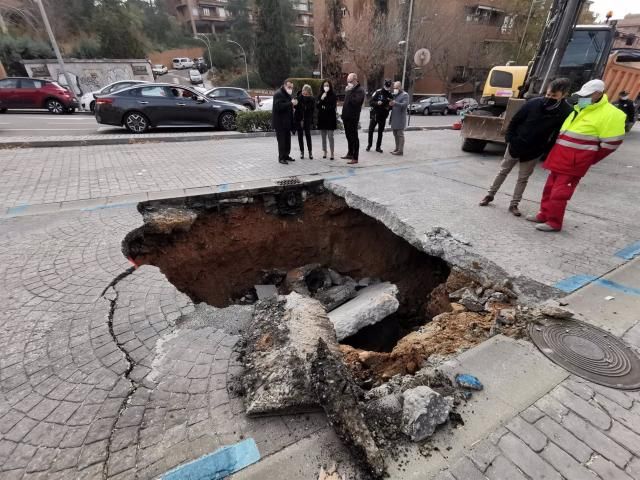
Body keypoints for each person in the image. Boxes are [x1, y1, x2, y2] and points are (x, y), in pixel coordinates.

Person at [527, 79, 626, 232]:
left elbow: (611, 144)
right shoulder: (583, 105)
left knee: (559, 194)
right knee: (549, 189)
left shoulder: (611, 114)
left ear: (598, 94)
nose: (583, 97)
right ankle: (544, 214)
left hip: (574, 162)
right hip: (560, 156)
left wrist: (588, 159)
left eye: (587, 95)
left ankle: (554, 222)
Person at [479, 77, 573, 217]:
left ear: (564, 95)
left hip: (535, 150)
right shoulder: (533, 103)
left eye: (554, 96)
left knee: (523, 178)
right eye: (548, 94)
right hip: (516, 143)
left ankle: (514, 204)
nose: (549, 98)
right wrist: (510, 138)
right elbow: (516, 120)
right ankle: (489, 195)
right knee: (503, 171)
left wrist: (546, 149)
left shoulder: (566, 111)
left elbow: (557, 133)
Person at [341, 73, 365, 164]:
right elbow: (346, 102)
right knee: (348, 136)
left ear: (355, 80)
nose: (348, 83)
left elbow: (356, 102)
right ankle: (350, 153)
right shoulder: (349, 89)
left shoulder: (360, 90)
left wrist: (350, 92)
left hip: (353, 117)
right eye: (347, 82)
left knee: (354, 137)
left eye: (350, 81)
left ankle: (355, 157)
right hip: (346, 116)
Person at [272, 79, 297, 165]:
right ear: (285, 85)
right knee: (282, 141)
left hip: (287, 122)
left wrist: (293, 106)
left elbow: (288, 107)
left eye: (292, 87)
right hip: (280, 123)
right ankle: (281, 157)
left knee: (287, 140)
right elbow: (278, 107)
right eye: (289, 87)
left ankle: (286, 155)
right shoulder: (278, 94)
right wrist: (290, 103)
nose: (291, 89)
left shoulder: (287, 94)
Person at [366, 80, 393, 153]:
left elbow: (391, 106)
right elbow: (371, 102)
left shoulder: (390, 94)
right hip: (375, 115)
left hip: (383, 116)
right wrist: (377, 103)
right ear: (384, 85)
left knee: (380, 132)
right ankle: (369, 145)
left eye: (389, 86)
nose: (387, 88)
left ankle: (378, 147)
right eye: (386, 86)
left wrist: (390, 106)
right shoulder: (378, 92)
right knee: (370, 130)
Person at [317, 80, 337, 160]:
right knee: (323, 137)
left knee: (330, 136)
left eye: (327, 85)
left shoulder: (333, 95)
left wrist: (324, 107)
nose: (326, 87)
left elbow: (333, 106)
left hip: (330, 119)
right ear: (322, 86)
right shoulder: (320, 95)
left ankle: (332, 153)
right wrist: (322, 99)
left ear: (330, 86)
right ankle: (325, 151)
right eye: (325, 85)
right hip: (322, 118)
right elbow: (318, 106)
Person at [294, 84, 315, 159]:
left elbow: (311, 110)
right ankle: (302, 152)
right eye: (303, 92)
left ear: (309, 93)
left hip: (307, 119)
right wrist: (294, 104)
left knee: (308, 135)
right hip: (299, 119)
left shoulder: (312, 99)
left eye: (306, 93)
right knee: (300, 135)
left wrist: (305, 106)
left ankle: (310, 152)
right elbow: (296, 107)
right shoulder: (298, 98)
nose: (304, 94)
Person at [389, 81, 409, 156]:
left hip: (400, 119)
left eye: (396, 88)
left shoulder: (405, 95)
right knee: (395, 134)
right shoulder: (395, 95)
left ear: (400, 87)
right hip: (394, 118)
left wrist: (395, 103)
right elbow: (393, 104)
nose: (395, 89)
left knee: (400, 135)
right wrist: (391, 104)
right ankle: (397, 148)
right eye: (394, 88)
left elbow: (404, 105)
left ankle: (400, 151)